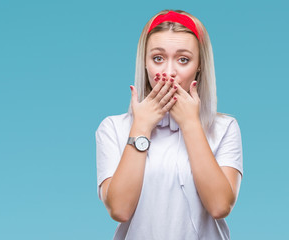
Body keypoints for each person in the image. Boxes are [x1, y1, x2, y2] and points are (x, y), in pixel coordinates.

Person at [95, 9, 243, 239]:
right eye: (158, 58)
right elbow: (119, 210)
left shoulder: (225, 128)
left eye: (183, 59)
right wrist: (141, 126)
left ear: (199, 65)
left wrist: (190, 123)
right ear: (144, 63)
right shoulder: (113, 128)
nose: (168, 73)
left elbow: (220, 206)